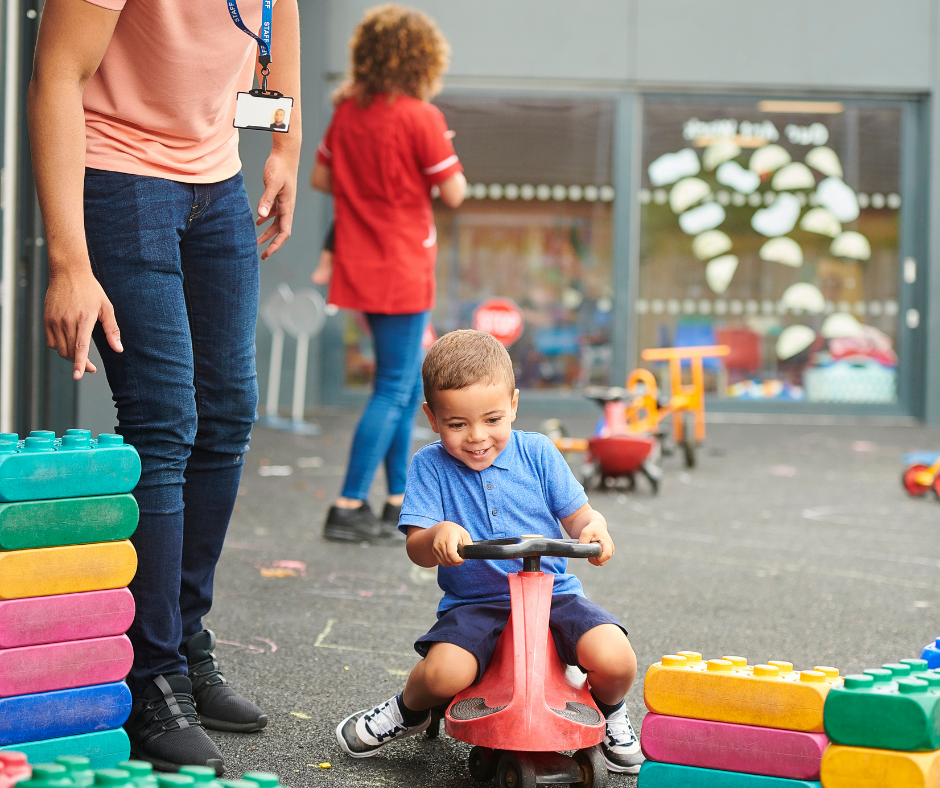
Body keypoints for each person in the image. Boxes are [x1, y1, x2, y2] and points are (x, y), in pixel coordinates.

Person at [27, 0, 301, 774]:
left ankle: (182, 642)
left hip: (217, 179)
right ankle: (150, 680)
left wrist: (285, 147)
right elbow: (57, 73)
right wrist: (69, 265)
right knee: (165, 422)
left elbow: (285, 18)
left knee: (226, 417)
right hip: (119, 178)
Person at [335, 330, 645, 775]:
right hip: (475, 604)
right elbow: (417, 548)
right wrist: (438, 534)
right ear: (432, 416)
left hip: (555, 595)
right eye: (457, 424)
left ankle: (609, 709)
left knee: (616, 658)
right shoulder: (430, 466)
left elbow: (579, 516)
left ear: (514, 405)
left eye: (492, 420)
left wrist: (594, 527)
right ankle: (408, 710)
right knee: (443, 675)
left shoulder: (538, 453)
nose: (477, 437)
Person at [311, 4, 466, 544]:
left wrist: (366, 188)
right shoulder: (421, 117)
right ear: (422, 59)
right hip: (403, 263)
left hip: (362, 262)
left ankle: (398, 501)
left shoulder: (347, 112)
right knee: (395, 386)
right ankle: (348, 503)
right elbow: (454, 192)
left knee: (399, 388)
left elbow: (321, 177)